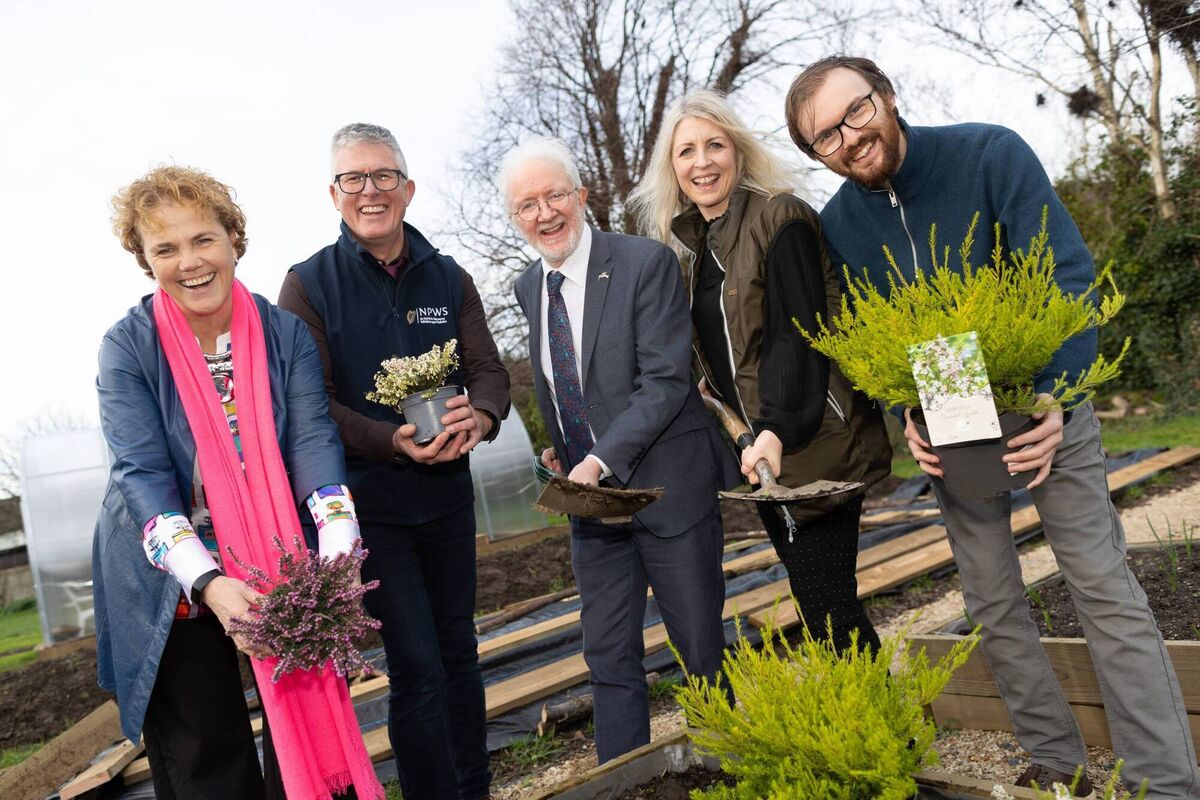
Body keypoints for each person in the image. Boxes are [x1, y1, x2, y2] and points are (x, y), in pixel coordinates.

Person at [785, 55, 1200, 799]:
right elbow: (882, 337)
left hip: (1044, 405)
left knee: (1100, 586)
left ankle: (1166, 780)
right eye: (824, 136)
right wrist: (909, 414)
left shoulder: (988, 154)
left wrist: (1056, 399)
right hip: (953, 427)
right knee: (990, 597)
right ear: (816, 153)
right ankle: (1055, 754)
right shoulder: (841, 224)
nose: (849, 137)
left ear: (887, 96)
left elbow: (1066, 278)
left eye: (856, 111)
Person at [93, 166, 381, 800]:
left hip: (278, 558)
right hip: (171, 572)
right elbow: (142, 476)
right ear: (145, 261)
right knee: (205, 756)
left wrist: (335, 558)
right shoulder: (128, 349)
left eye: (203, 239)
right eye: (165, 248)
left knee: (300, 744)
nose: (189, 262)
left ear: (233, 240)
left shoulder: (284, 335)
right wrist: (209, 581)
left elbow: (312, 442)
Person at [278, 122, 509, 800]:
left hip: (446, 499)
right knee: (416, 666)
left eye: (383, 176)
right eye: (354, 178)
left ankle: (475, 788)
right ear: (334, 193)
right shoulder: (307, 287)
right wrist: (389, 440)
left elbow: (488, 369)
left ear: (407, 187)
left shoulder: (448, 274)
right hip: (372, 508)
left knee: (459, 655)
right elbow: (310, 406)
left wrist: (484, 415)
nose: (369, 191)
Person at [628, 90, 891, 655]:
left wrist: (775, 429)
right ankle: (877, 739)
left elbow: (799, 337)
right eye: (686, 152)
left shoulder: (780, 216)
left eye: (715, 145)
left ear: (739, 152)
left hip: (814, 443)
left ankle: (889, 744)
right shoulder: (693, 251)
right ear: (671, 169)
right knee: (822, 609)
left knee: (831, 613)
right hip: (764, 458)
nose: (702, 162)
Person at [501, 137, 736, 764]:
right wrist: (565, 451)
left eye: (555, 195)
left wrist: (599, 457)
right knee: (607, 656)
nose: (545, 213)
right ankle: (622, 781)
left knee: (700, 651)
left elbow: (665, 382)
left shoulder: (643, 262)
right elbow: (570, 384)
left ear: (582, 195)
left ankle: (724, 771)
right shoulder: (530, 288)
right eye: (528, 204)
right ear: (514, 218)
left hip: (667, 491)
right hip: (595, 507)